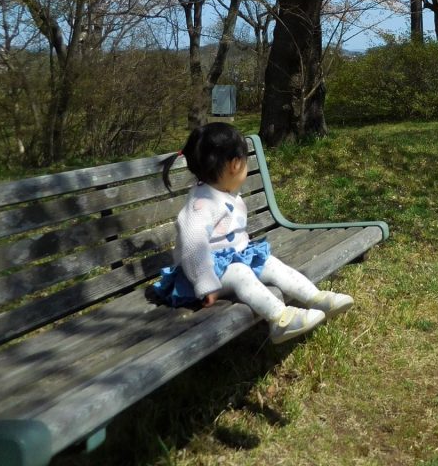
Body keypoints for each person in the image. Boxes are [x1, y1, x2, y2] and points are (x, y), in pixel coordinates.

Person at [149, 122, 353, 344]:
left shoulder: (223, 192)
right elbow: (192, 247)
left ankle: (316, 298)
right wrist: (206, 285)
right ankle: (280, 319)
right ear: (235, 164)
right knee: (240, 273)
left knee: (271, 263)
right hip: (203, 272)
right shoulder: (201, 204)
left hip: (232, 259)